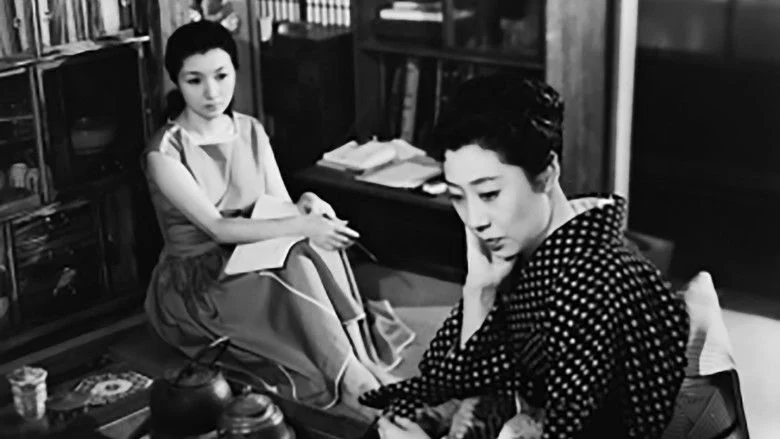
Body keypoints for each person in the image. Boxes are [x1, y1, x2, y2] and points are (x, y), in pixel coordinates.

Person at [359, 75, 690, 438]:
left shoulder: (595, 284)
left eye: (489, 194)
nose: (475, 220)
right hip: (513, 407)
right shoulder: (524, 250)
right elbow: (444, 378)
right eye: (457, 196)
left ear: (547, 174)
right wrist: (479, 291)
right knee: (398, 416)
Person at [142, 20, 413, 417]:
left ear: (235, 72)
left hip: (254, 251)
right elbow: (217, 228)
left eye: (221, 76)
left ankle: (361, 360)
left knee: (315, 237)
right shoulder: (165, 152)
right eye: (194, 80)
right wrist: (301, 225)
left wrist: (307, 204)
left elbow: (278, 205)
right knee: (300, 250)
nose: (212, 92)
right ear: (177, 82)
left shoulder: (250, 129)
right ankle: (353, 378)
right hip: (200, 279)